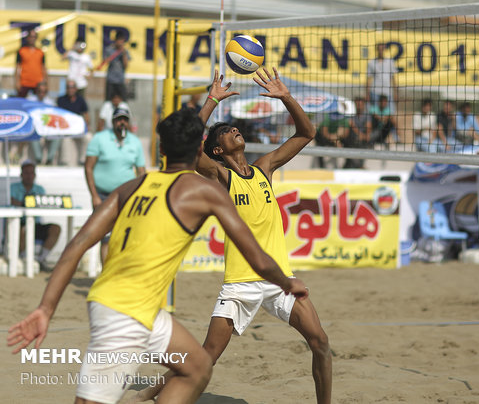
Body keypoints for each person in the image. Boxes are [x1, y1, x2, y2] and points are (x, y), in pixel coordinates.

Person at [7, 107, 309, 404]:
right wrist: (286, 281)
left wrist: (46, 308)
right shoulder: (204, 191)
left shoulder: (130, 187)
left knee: (198, 366)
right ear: (199, 152)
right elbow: (256, 256)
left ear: (161, 148)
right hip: (122, 310)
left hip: (140, 309)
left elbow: (77, 245)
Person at [133, 68, 331, 404]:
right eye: (225, 132)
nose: (234, 130)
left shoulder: (264, 168)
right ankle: (147, 395)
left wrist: (285, 96)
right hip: (240, 283)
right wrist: (211, 101)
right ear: (217, 150)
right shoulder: (219, 176)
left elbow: (307, 132)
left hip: (279, 279)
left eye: (234, 128)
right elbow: (186, 145)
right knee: (206, 355)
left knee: (321, 343)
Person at [85, 107, 145, 262]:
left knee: (125, 236)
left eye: (125, 119)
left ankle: (118, 274)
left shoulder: (135, 142)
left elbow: (141, 172)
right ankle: (106, 275)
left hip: (127, 195)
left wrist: (141, 195)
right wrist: (94, 196)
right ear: (112, 122)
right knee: (105, 237)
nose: (122, 123)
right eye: (119, 120)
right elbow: (88, 167)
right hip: (103, 194)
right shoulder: (100, 138)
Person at [10, 160, 61, 272]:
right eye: (26, 173)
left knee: (55, 228)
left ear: (35, 175)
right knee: (23, 229)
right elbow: (12, 201)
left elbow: (43, 204)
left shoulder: (40, 189)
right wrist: (29, 203)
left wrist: (24, 203)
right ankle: (24, 259)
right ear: (21, 174)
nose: (29, 176)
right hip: (19, 223)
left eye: (31, 173)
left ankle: (40, 260)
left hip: (35, 223)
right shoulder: (13, 187)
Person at [26, 81, 61, 165]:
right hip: (35, 128)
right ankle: (39, 159)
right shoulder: (30, 101)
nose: (41, 94)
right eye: (39, 91)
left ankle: (49, 159)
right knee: (33, 135)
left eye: (44, 92)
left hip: (47, 128)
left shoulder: (50, 102)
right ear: (36, 91)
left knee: (58, 136)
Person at [57, 80, 90, 165]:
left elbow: (86, 114)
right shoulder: (61, 100)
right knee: (65, 140)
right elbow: (57, 115)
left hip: (78, 128)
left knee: (88, 137)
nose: (70, 89)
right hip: (65, 128)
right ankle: (65, 162)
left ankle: (83, 160)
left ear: (75, 89)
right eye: (68, 87)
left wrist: (87, 125)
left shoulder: (80, 100)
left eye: (72, 87)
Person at [15, 29, 47, 98]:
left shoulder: (40, 52)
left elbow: (44, 68)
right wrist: (17, 82)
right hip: (24, 82)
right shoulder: (21, 51)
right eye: (31, 36)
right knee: (21, 102)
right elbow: (17, 67)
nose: (32, 39)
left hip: (38, 83)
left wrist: (45, 83)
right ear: (27, 38)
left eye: (34, 37)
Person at [342, 97, 373, 169]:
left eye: (360, 104)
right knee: (354, 139)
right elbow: (352, 126)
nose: (359, 106)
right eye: (357, 104)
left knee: (371, 137)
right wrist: (361, 135)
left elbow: (368, 127)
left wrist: (366, 135)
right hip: (352, 138)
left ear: (363, 105)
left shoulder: (366, 115)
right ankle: (359, 166)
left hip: (363, 138)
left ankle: (358, 165)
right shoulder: (351, 114)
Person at [366, 42, 398, 110]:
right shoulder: (372, 62)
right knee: (375, 112)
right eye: (379, 49)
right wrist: (367, 94)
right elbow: (368, 79)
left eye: (382, 49)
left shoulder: (390, 61)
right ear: (377, 50)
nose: (381, 51)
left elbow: (393, 78)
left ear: (384, 50)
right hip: (375, 91)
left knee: (391, 112)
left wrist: (395, 92)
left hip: (387, 91)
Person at [102, 31, 131, 100]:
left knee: (123, 100)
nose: (121, 43)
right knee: (108, 101)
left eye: (122, 41)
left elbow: (126, 66)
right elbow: (106, 61)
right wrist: (116, 53)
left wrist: (123, 53)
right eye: (119, 40)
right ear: (116, 40)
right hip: (111, 80)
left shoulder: (125, 51)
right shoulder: (109, 49)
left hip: (120, 80)